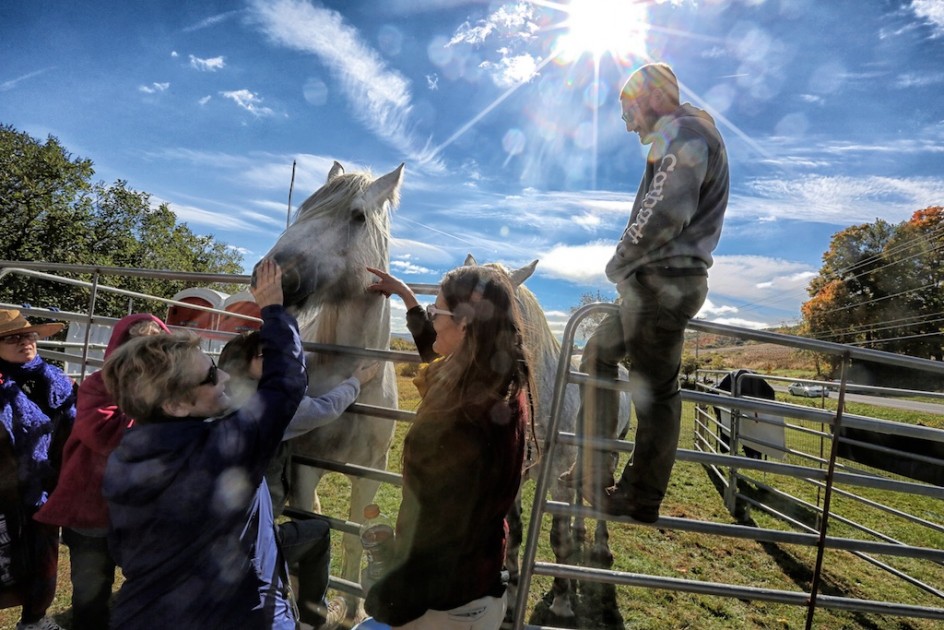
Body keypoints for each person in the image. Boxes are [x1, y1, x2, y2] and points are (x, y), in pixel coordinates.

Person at [100, 259, 309, 629]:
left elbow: (120, 547)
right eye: (211, 376)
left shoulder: (126, 453)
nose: (225, 375)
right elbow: (287, 384)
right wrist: (274, 309)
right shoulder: (225, 446)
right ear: (176, 405)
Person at [564, 62, 729, 522]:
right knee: (597, 355)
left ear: (651, 99)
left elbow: (664, 212)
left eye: (627, 111)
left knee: (656, 392)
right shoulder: (682, 136)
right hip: (655, 284)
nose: (626, 123)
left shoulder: (682, 134)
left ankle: (640, 495)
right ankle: (592, 471)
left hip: (664, 283)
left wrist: (620, 259)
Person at [362, 265, 534, 630]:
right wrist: (409, 298)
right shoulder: (492, 379)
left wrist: (390, 599)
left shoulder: (461, 417)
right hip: (480, 585)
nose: (431, 318)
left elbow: (438, 529)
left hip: (442, 604)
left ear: (467, 323)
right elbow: (435, 349)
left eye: (435, 311)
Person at [218, 331, 379, 629]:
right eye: (266, 356)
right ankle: (312, 618)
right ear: (245, 364)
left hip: (215, 529)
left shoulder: (215, 396)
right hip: (247, 538)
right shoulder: (269, 406)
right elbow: (324, 408)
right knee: (317, 533)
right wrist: (356, 381)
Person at [34, 314, 168, 630]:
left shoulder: (169, 388)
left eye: (154, 347)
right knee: (91, 586)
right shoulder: (99, 384)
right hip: (92, 506)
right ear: (118, 349)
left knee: (148, 578)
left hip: (141, 509)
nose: (144, 355)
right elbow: (103, 435)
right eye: (135, 346)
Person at [0, 309, 76, 630]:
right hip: (4, 490)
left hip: (46, 488)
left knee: (43, 558)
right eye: (11, 338)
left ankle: (35, 619)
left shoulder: (56, 381)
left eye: (28, 335)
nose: (24, 342)